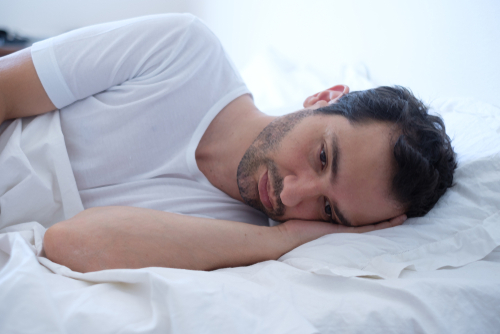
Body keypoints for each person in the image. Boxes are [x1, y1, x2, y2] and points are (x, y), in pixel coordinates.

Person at [0, 14, 456, 273]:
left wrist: (285, 240)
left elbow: (69, 244)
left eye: (329, 211)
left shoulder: (237, 243)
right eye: (322, 157)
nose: (292, 195)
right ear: (324, 99)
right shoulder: (184, 51)